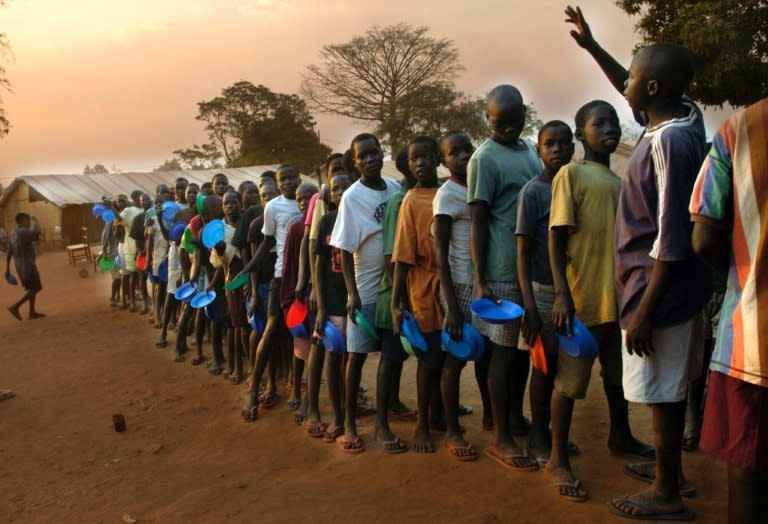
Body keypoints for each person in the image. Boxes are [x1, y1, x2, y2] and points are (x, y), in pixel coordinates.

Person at [568, 10, 711, 518]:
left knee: (664, 392)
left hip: (660, 289)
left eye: (629, 78)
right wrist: (593, 48)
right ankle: (668, 472)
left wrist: (646, 308)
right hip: (663, 286)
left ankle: (667, 491)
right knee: (666, 386)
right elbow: (641, 87)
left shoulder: (670, 141)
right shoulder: (679, 116)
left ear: (650, 88)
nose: (623, 86)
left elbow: (673, 234)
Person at [546, 102, 642, 503]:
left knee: (616, 377)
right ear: (580, 132)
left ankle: (621, 436)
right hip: (582, 299)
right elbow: (556, 236)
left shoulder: (618, 181)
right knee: (570, 383)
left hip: (615, 299)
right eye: (597, 123)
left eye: (612, 123)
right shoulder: (572, 174)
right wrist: (562, 296)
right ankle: (556, 458)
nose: (608, 129)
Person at [690, 97, 768, 524]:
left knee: (748, 464)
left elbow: (702, 240)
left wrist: (744, 276)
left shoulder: (738, 130)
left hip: (753, 339)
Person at [467, 84, 540, 472]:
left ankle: (515, 417)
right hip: (500, 272)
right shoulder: (484, 158)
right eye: (501, 121)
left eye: (516, 120)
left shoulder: (530, 149)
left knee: (522, 352)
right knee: (502, 353)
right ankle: (501, 438)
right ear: (488, 118)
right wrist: (481, 279)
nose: (510, 127)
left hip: (529, 270)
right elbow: (479, 220)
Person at [330, 133, 401, 453]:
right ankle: (348, 421)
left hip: (392, 290)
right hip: (366, 288)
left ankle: (382, 422)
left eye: (375, 153)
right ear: (355, 162)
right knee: (356, 357)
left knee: (391, 356)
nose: (371, 160)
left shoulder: (395, 189)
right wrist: (351, 292)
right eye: (364, 156)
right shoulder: (352, 197)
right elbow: (344, 249)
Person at [515, 120, 574, 468]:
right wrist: (529, 305)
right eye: (549, 144)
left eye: (563, 143)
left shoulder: (575, 185)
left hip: (572, 290)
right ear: (539, 150)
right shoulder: (534, 192)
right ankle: (538, 434)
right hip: (541, 290)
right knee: (543, 365)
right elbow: (522, 252)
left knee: (567, 368)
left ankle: (556, 435)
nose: (556, 150)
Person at [391, 136, 447, 454]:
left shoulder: (450, 192)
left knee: (448, 355)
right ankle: (423, 424)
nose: (420, 163)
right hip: (424, 288)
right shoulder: (411, 200)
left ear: (437, 159)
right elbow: (402, 256)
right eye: (414, 159)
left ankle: (441, 416)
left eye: (426, 157)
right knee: (428, 360)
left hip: (452, 286)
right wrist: (397, 302)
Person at [239, 165, 304, 420]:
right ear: (277, 183)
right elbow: (266, 243)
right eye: (283, 179)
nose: (288, 183)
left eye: (292, 178)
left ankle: (297, 390)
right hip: (281, 275)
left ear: (300, 178)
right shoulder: (273, 207)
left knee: (300, 332)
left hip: (304, 276)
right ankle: (254, 388)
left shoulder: (308, 202)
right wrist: (247, 270)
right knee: (272, 326)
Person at [433, 130, 480, 461]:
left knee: (486, 353)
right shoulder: (447, 194)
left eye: (467, 150)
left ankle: (493, 417)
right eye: (454, 153)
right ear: (444, 161)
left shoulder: (478, 185)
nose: (463, 156)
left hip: (481, 286)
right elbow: (441, 254)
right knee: (455, 357)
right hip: (458, 286)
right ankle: (452, 429)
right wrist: (451, 306)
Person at [373, 146, 418, 448]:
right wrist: (398, 299)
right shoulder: (398, 202)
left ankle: (395, 404)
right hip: (396, 293)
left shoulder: (422, 196)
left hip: (416, 292)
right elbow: (391, 255)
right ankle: (380, 426)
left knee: (401, 356)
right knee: (390, 358)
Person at [308, 171, 352, 441]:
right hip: (334, 300)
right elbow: (318, 264)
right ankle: (337, 413)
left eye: (346, 185)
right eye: (336, 188)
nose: (342, 190)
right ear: (331, 196)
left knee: (353, 357)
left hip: (360, 298)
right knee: (335, 355)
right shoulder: (326, 222)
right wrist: (321, 307)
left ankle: (350, 409)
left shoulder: (362, 215)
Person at [279, 182, 319, 412]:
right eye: (300, 199)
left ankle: (308, 397)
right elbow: (288, 267)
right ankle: (295, 389)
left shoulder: (325, 224)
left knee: (318, 348)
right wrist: (289, 298)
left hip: (320, 296)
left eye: (308, 197)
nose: (304, 202)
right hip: (301, 296)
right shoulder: (295, 229)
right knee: (300, 347)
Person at [6, 213, 45, 321]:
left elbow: (9, 251)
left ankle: (32, 312)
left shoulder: (13, 233)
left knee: (32, 287)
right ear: (23, 221)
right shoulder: (24, 231)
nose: (29, 223)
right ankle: (15, 307)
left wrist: (7, 269)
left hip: (19, 265)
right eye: (28, 221)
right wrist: (37, 221)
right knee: (36, 287)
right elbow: (38, 235)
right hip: (28, 265)